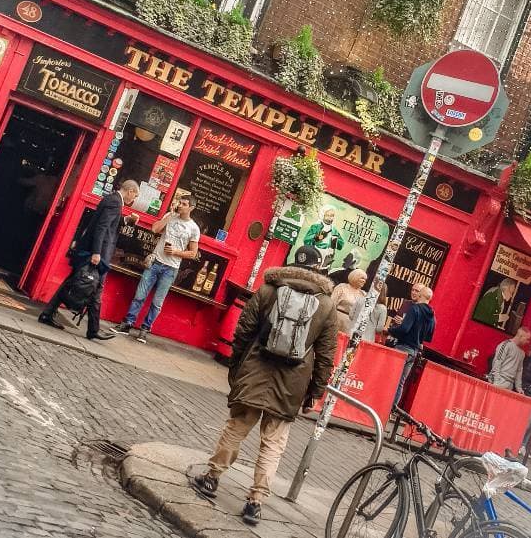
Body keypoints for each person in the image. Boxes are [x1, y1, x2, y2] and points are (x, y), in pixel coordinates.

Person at [191, 263, 338, 525]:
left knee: (236, 428)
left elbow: (244, 331)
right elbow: (325, 355)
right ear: (318, 271)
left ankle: (212, 478)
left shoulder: (269, 289)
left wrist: (236, 366)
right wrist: (315, 391)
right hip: (292, 383)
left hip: (255, 369)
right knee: (273, 444)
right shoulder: (326, 305)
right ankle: (255, 503)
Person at [38, 177, 140, 340]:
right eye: (135, 196)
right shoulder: (115, 202)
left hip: (92, 250)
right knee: (97, 288)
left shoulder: (111, 199)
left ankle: (48, 314)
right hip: (96, 253)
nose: (133, 200)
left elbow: (108, 223)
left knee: (74, 283)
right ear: (130, 191)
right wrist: (96, 253)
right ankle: (93, 330)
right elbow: (101, 228)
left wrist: (126, 220)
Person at [116, 194, 200, 343]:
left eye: (184, 204)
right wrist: (170, 216)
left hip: (171, 268)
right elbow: (155, 229)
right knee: (140, 295)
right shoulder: (170, 215)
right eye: (180, 202)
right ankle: (127, 323)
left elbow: (193, 253)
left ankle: (144, 330)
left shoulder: (194, 228)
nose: (180, 205)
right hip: (155, 262)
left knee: (157, 302)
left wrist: (175, 252)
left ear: (191, 208)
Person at [388, 283, 435, 410]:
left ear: (420, 295)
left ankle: (383, 407)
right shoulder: (432, 315)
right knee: (400, 382)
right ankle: (391, 410)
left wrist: (391, 330)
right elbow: (428, 338)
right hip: (414, 351)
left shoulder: (414, 309)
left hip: (403, 347)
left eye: (417, 292)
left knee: (391, 378)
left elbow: (404, 329)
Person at [488, 326, 531, 392]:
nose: (528, 342)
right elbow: (497, 363)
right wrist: (496, 382)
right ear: (520, 336)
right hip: (499, 381)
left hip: (510, 385)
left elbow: (519, 371)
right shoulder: (506, 345)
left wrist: (519, 388)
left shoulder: (522, 353)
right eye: (527, 339)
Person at [331, 268, 368, 333]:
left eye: (365, 279)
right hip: (336, 319)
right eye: (362, 278)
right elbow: (332, 303)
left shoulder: (363, 294)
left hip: (351, 325)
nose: (364, 281)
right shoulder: (342, 287)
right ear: (355, 277)